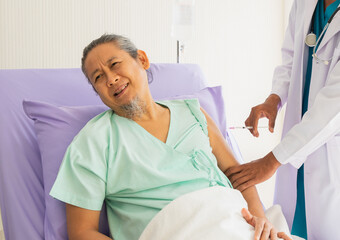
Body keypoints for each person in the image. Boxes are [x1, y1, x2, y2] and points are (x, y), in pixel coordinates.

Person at [50, 34, 290, 240]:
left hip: (235, 223)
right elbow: (83, 232)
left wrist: (262, 222)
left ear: (141, 60)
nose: (110, 79)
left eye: (114, 64)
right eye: (98, 77)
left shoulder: (193, 113)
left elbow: (240, 177)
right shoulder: (93, 141)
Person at [225, 0, 340, 239]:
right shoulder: (305, 3)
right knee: (289, 228)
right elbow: (291, 56)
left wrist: (272, 161)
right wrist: (274, 98)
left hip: (329, 150)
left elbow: (333, 108)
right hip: (297, 147)